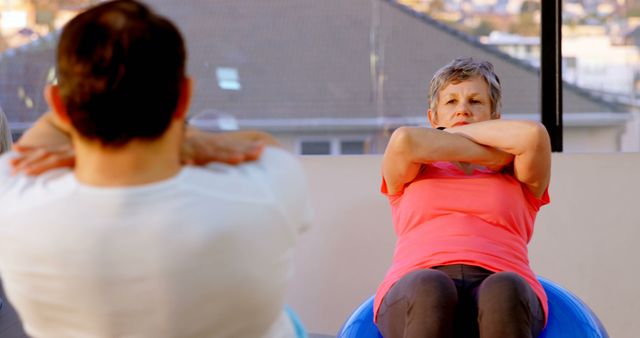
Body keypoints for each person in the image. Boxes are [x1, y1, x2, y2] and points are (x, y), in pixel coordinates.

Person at [0, 1, 312, 337]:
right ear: (184, 97)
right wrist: (185, 138)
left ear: (59, 105)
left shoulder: (12, 198)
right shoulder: (267, 190)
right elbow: (263, 146)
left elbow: (31, 148)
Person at [375, 57, 551, 338]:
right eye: (451, 102)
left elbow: (534, 136)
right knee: (431, 285)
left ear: (495, 118)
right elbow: (404, 140)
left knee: (504, 287)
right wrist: (493, 152)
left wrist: (452, 136)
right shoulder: (416, 168)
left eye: (475, 101)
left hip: (501, 285)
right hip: (418, 288)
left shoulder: (516, 172)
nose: (463, 110)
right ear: (433, 118)